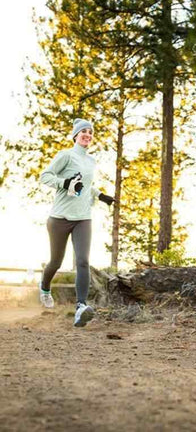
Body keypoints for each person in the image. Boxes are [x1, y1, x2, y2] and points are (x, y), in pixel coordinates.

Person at [39, 118, 115, 327]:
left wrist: (100, 195)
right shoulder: (66, 156)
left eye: (90, 132)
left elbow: (86, 185)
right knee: (56, 261)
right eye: (84, 131)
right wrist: (64, 183)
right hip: (59, 219)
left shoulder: (90, 161)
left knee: (83, 261)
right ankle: (45, 287)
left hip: (83, 218)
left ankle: (81, 307)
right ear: (75, 135)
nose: (87, 135)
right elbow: (44, 176)